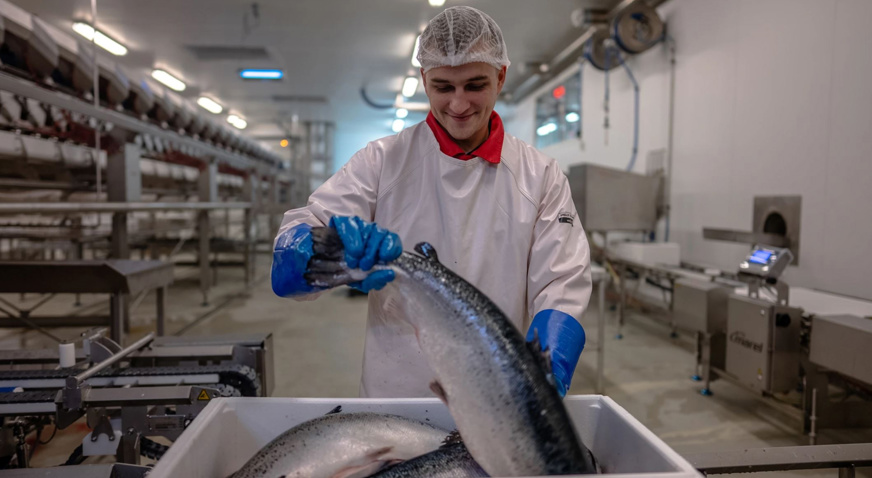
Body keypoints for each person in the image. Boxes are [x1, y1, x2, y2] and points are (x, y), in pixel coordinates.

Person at [272, 6, 591, 398]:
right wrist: (322, 254)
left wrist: (544, 370)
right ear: (424, 80)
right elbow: (293, 250)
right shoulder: (382, 162)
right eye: (443, 87)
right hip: (396, 397)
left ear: (501, 77)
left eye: (475, 85)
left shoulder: (539, 176)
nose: (458, 105)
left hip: (497, 396)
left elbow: (561, 283)